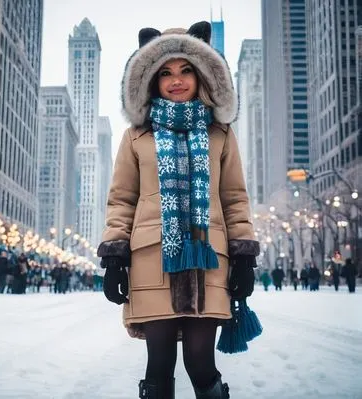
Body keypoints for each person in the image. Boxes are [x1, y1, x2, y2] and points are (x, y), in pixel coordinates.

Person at [97, 22, 259, 398]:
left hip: (210, 261)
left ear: (201, 75)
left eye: (186, 70)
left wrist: (245, 256)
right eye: (165, 72)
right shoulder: (136, 136)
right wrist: (115, 256)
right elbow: (122, 200)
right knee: (159, 365)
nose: (176, 80)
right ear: (152, 80)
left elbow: (235, 198)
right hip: (153, 259)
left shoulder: (221, 132)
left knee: (200, 363)